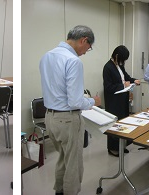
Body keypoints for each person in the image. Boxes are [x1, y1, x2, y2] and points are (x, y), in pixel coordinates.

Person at [39, 25, 101, 195]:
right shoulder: (73, 61)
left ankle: (59, 191)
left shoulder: (46, 56)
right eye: (88, 48)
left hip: (50, 118)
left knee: (62, 158)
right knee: (73, 164)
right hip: (67, 120)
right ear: (84, 40)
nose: (85, 52)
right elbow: (74, 101)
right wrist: (92, 101)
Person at [102, 45, 140, 157]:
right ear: (117, 56)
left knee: (123, 122)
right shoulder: (108, 67)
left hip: (122, 99)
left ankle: (121, 145)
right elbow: (108, 87)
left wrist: (134, 80)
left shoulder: (120, 66)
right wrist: (123, 85)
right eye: (123, 59)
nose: (123, 62)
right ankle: (113, 148)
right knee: (114, 124)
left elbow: (126, 77)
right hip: (113, 101)